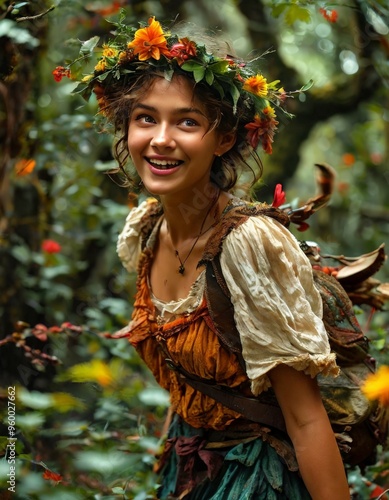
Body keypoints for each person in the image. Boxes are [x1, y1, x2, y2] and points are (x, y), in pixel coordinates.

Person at [67, 16, 351, 499]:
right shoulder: (145, 231)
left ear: (224, 140)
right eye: (145, 118)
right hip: (186, 467)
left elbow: (305, 419)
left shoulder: (247, 246)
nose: (161, 139)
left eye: (187, 121)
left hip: (259, 479)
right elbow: (189, 387)